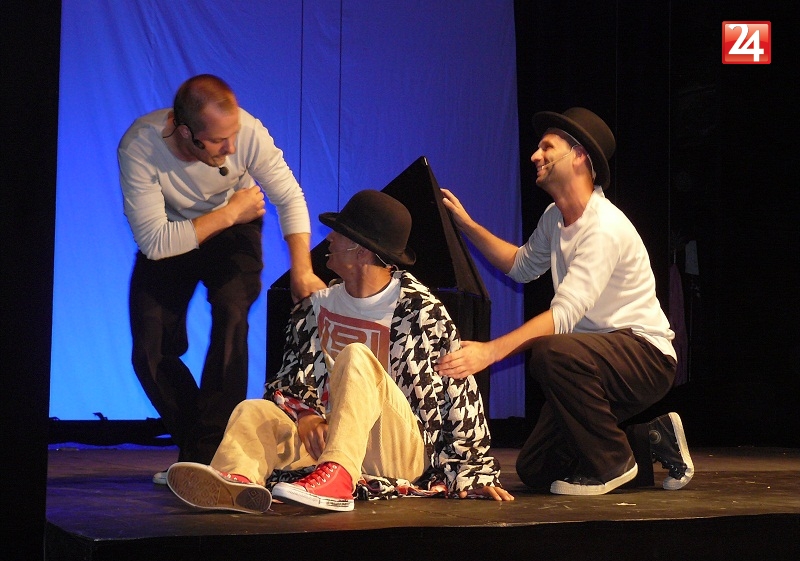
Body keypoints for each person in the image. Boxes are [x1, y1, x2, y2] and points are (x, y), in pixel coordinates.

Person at [165, 189, 514, 513]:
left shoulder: (420, 312)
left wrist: (474, 471)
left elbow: (458, 392)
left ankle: (340, 478)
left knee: (356, 356)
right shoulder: (315, 307)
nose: (329, 239)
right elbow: (288, 380)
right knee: (253, 411)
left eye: (339, 234)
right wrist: (306, 416)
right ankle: (235, 484)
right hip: (328, 440)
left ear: (361, 251)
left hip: (398, 449)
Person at [436, 107, 694, 496]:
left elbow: (563, 315)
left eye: (547, 147)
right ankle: (652, 439)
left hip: (644, 357)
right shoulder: (554, 218)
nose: (534, 155)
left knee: (550, 352)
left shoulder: (603, 227)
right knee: (536, 467)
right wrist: (467, 227)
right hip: (592, 361)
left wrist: (490, 352)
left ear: (579, 156)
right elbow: (521, 265)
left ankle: (614, 464)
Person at [118, 74, 326, 478]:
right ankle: (203, 452)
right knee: (150, 351)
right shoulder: (140, 147)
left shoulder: (247, 133)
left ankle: (208, 457)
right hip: (176, 233)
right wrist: (231, 211)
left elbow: (289, 197)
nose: (231, 148)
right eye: (217, 141)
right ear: (185, 132)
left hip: (235, 235)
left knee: (232, 318)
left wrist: (302, 269)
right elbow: (156, 242)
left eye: (233, 136)